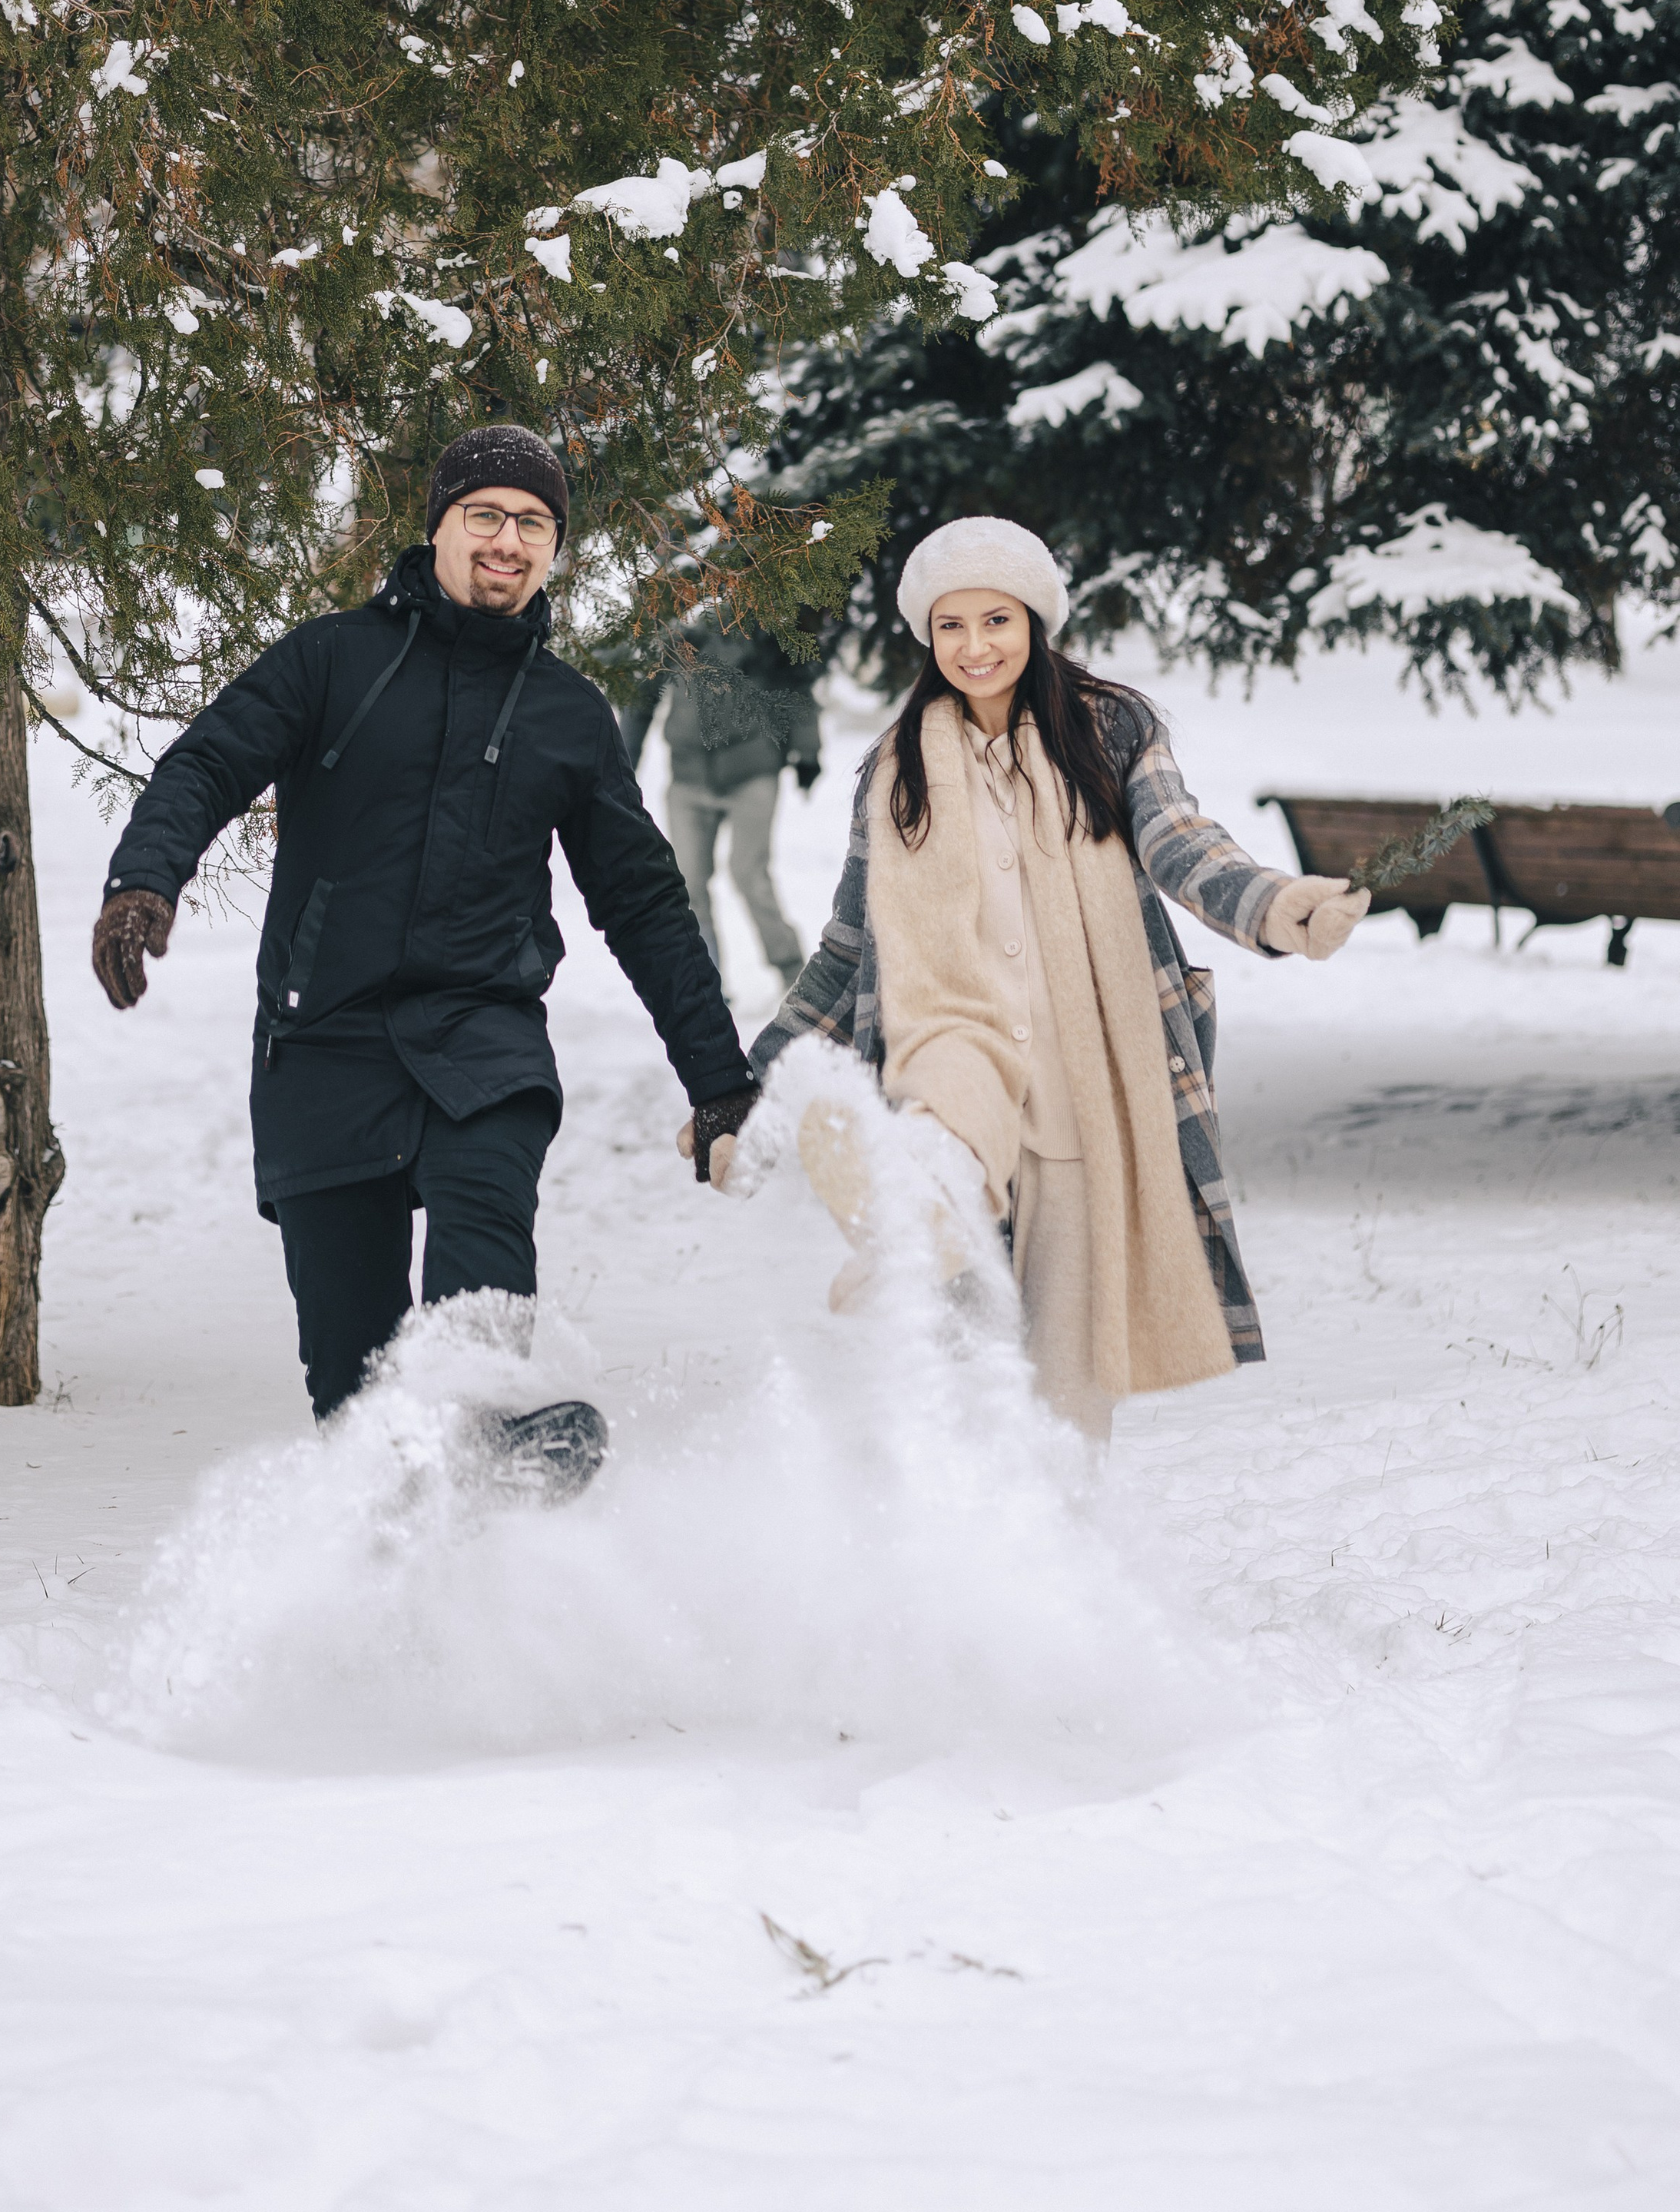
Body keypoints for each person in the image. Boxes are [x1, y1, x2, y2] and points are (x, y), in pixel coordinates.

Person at [91, 425, 759, 1451]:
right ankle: (399, 1562)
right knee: (352, 1391)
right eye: (485, 515)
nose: (508, 539)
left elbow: (644, 901)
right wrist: (145, 880)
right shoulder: (333, 660)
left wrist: (717, 1076)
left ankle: (492, 1431)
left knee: (482, 1262)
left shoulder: (567, 714)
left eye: (534, 523)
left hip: (481, 1035)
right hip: (323, 1041)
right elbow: (208, 763)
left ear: (554, 547)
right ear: (439, 527)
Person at [732, 516, 1369, 1445]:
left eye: (996, 620)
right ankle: (911, 1221)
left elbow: (1177, 841)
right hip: (951, 1050)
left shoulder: (1106, 727)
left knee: (1065, 1398)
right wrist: (748, 1086)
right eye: (951, 626)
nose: (975, 645)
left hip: (1083, 1087)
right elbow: (844, 947)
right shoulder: (895, 765)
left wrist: (1273, 906)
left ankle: (1054, 1556)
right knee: (957, 1360)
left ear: (1033, 620)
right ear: (927, 634)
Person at [620, 612, 823, 983]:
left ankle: (793, 971)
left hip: (752, 772)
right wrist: (622, 765)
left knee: (749, 874)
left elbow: (796, 690)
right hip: (688, 780)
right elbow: (641, 702)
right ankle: (706, 979)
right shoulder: (676, 635)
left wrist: (808, 753)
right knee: (688, 884)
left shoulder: (764, 633)